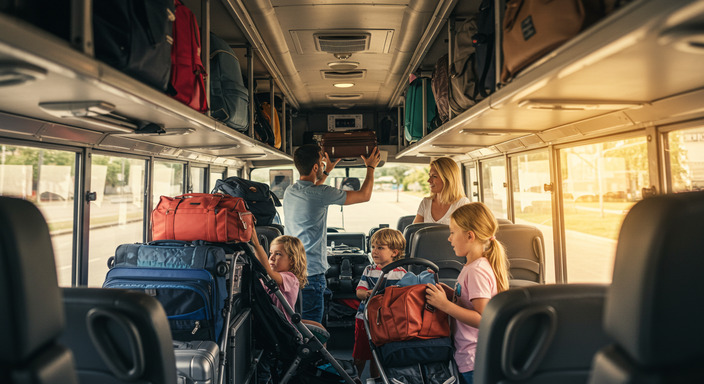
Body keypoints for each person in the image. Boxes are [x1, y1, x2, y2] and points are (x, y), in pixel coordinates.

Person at [283, 143, 382, 323]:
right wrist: (371, 167)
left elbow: (312, 188)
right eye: (320, 163)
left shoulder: (291, 191)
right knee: (314, 330)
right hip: (311, 274)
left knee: (297, 325)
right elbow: (364, 195)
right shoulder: (321, 192)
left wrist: (327, 170)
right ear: (315, 167)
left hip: (292, 272)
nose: (322, 165)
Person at [425, 203, 510, 384]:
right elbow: (468, 300)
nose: (449, 239)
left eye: (453, 232)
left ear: (469, 236)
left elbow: (482, 318)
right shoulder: (473, 266)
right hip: (473, 355)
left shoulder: (476, 270)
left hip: (474, 357)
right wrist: (447, 293)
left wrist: (445, 305)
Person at [353, 228, 407, 378]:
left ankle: (375, 379)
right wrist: (366, 293)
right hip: (365, 318)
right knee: (360, 355)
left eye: (380, 248)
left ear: (394, 252)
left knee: (378, 356)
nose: (374, 251)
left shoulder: (401, 273)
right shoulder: (369, 270)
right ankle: (355, 377)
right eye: (373, 247)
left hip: (387, 321)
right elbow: (359, 291)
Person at [250, 226, 308, 322]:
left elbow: (266, 270)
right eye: (270, 253)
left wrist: (256, 244)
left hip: (284, 329)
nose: (271, 257)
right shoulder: (267, 278)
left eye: (278, 254)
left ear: (292, 261)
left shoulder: (290, 279)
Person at [414, 157, 470, 224]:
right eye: (430, 176)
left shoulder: (462, 204)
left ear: (448, 179)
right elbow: (413, 231)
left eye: (434, 176)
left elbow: (466, 233)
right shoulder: (425, 203)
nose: (429, 180)